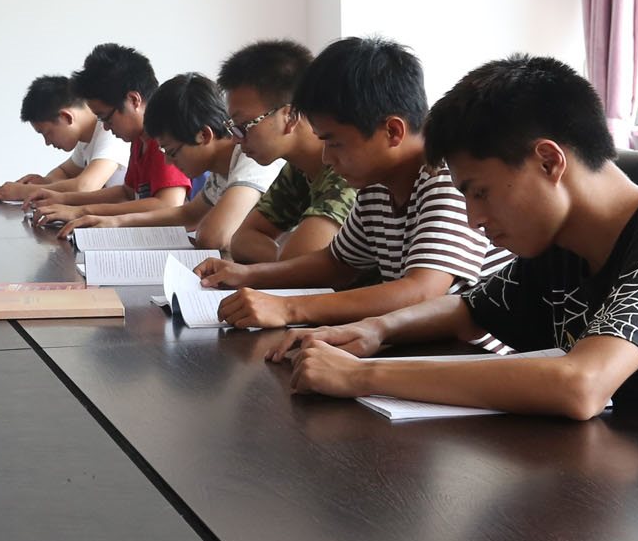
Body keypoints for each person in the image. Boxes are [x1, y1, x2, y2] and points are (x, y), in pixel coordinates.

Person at [277, 55, 638, 464]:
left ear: (548, 161)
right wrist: (375, 330)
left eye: (480, 192)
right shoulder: (562, 244)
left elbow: (580, 385)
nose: (474, 219)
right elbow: (468, 309)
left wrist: (365, 376)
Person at [194, 36, 508, 329]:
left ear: (392, 131)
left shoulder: (446, 177)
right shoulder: (376, 184)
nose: (327, 158)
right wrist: (248, 274)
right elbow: (336, 262)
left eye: (335, 143)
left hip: (472, 354)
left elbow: (423, 291)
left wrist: (288, 308)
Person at [54, 73, 282, 251]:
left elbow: (215, 237)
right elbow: (188, 215)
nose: (167, 161)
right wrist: (116, 222)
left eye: (172, 151)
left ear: (204, 135)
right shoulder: (220, 170)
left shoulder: (250, 157)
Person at [212, 40, 357, 264]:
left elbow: (300, 262)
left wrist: (291, 262)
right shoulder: (297, 169)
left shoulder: (346, 168)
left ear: (289, 117)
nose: (235, 139)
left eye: (244, 126)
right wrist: (288, 261)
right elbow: (241, 241)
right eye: (233, 128)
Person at [27, 43, 191, 226]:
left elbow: (168, 204)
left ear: (133, 100)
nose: (105, 127)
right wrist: (63, 199)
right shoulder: (139, 140)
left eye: (106, 118)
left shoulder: (163, 137)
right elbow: (127, 193)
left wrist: (82, 211)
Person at [0, 74, 126, 202]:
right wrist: (44, 182)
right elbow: (64, 172)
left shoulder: (110, 131)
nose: (47, 142)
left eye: (47, 133)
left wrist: (23, 191)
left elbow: (85, 187)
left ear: (66, 117)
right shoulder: (85, 139)